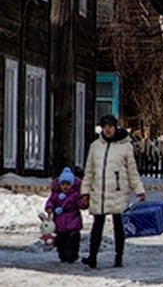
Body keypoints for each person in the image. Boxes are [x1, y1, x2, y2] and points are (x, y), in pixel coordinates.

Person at [81, 114, 145, 268]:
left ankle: (118, 257)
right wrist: (85, 191)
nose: (108, 130)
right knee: (97, 225)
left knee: (118, 225)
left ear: (115, 127)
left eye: (110, 126)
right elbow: (89, 171)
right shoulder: (95, 146)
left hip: (118, 190)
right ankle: (92, 257)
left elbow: (132, 170)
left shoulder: (125, 146)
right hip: (100, 191)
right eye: (105, 127)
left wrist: (139, 190)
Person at [44, 166, 84, 264]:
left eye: (67, 184)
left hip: (72, 222)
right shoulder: (56, 194)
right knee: (60, 242)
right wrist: (49, 207)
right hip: (59, 223)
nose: (65, 186)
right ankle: (62, 254)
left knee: (72, 242)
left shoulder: (75, 194)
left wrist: (82, 203)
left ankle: (72, 255)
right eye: (63, 184)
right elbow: (50, 201)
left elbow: (80, 204)